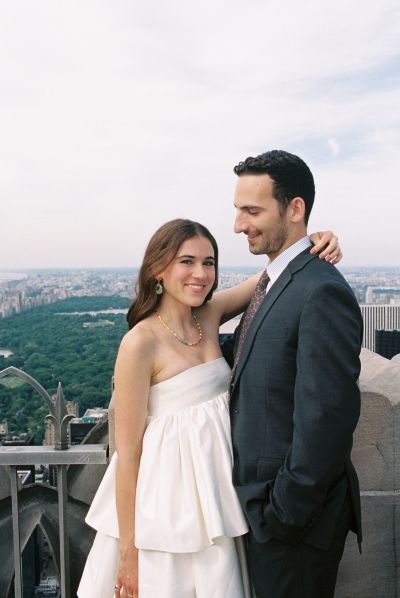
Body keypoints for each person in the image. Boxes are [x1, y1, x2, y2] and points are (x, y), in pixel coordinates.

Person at [77, 218, 341, 598]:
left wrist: (315, 241)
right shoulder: (140, 343)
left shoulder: (210, 315)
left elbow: (274, 277)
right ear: (158, 269)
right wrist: (128, 552)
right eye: (187, 261)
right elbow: (128, 454)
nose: (200, 274)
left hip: (217, 495)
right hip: (166, 508)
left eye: (209, 262)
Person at [225, 150, 363, 598]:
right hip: (261, 514)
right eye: (238, 210)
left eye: (252, 210)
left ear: (295, 209)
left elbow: (326, 420)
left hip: (291, 527)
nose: (239, 225)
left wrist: (282, 516)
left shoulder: (320, 290)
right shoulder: (277, 280)